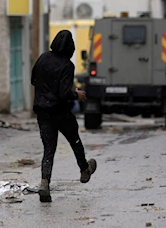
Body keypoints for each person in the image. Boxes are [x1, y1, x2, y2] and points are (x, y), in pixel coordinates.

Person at [31, 30, 97, 203]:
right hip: (60, 113)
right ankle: (84, 170)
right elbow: (63, 93)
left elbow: (33, 80)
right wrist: (77, 94)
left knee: (49, 149)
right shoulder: (67, 65)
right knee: (75, 141)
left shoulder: (43, 58)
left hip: (42, 112)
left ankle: (44, 184)